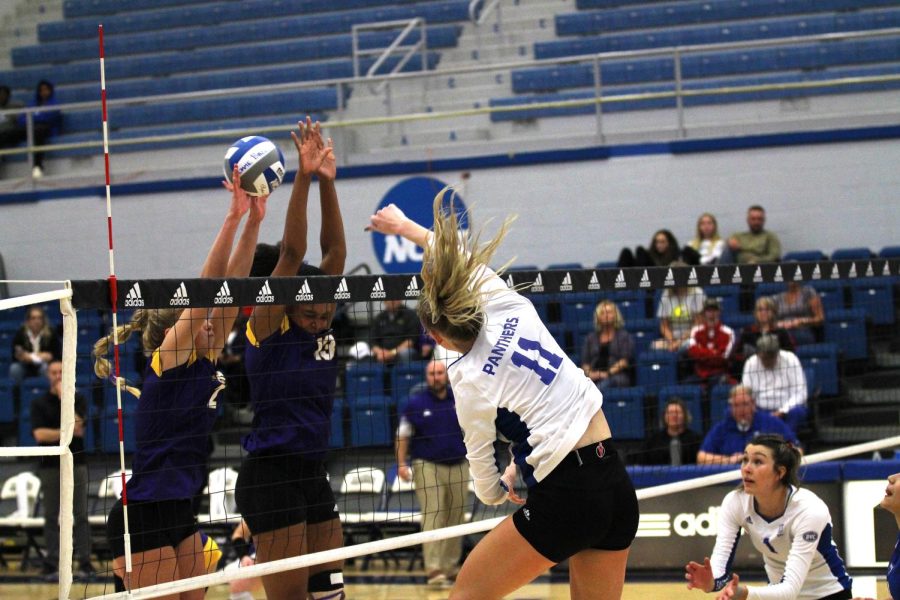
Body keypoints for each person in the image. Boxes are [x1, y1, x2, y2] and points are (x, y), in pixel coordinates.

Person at [368, 191, 639, 600]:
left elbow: (480, 459)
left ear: (437, 336)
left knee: (465, 596)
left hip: (569, 496)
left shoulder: (466, 375)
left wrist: (494, 491)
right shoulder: (508, 304)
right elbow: (453, 250)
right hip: (614, 483)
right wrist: (404, 226)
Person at [93, 162, 267, 594]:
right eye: (199, 321)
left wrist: (255, 220)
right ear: (173, 333)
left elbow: (235, 285)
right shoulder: (166, 362)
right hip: (143, 512)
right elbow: (207, 288)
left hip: (178, 509)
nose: (210, 323)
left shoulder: (205, 361)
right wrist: (231, 217)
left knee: (198, 590)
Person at [233, 117, 347, 600]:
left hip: (312, 471)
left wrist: (327, 182)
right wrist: (302, 175)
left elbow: (334, 249)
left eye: (325, 312)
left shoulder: (320, 301)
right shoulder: (265, 325)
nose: (322, 316)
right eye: (311, 312)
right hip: (271, 476)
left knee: (332, 596)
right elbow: (296, 248)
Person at [686, 434, 853, 600]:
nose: (747, 468)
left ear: (780, 472)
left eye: (758, 461)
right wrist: (711, 583)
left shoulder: (808, 509)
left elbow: (790, 590)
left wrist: (744, 593)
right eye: (745, 460)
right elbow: (720, 564)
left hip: (829, 593)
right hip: (776, 593)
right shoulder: (735, 502)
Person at [395, 359, 468, 586]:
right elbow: (403, 435)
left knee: (456, 516)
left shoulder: (459, 399)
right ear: (426, 377)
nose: (436, 377)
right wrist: (401, 464)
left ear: (445, 375)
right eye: (431, 373)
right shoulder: (415, 403)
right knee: (433, 514)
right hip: (427, 465)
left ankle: (450, 567)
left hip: (459, 463)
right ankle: (434, 569)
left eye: (439, 372)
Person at [30, 359, 94, 581]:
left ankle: (85, 562)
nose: (57, 376)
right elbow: (39, 435)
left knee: (81, 514)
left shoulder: (79, 399)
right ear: (48, 375)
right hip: (49, 465)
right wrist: (65, 431)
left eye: (61, 372)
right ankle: (52, 564)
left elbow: (78, 428)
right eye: (54, 372)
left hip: (77, 463)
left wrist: (64, 399)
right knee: (50, 515)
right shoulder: (39, 403)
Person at [697, 385, 799, 465]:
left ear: (753, 404)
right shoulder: (721, 428)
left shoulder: (771, 423)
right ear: (731, 407)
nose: (741, 409)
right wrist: (729, 460)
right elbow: (701, 458)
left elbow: (797, 450)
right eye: (736, 405)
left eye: (745, 404)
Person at [742, 334, 808, 435]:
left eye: (770, 358)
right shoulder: (751, 363)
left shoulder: (791, 360)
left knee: (798, 412)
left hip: (787, 408)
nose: (767, 361)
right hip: (760, 409)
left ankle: (786, 442)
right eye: (764, 358)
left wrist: (782, 411)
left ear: (777, 353)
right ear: (758, 354)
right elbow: (746, 393)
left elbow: (801, 393)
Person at [580, 300, 634, 391]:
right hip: (593, 376)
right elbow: (585, 363)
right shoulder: (590, 338)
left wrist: (607, 373)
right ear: (598, 317)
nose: (606, 315)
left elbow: (624, 361)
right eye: (603, 313)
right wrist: (591, 374)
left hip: (616, 377)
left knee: (601, 386)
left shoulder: (624, 336)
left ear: (616, 315)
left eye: (609, 312)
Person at [732, 297, 795, 373]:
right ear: (755, 313)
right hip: (753, 372)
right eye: (760, 310)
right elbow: (737, 355)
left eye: (767, 310)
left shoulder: (781, 332)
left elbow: (790, 355)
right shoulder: (747, 332)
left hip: (777, 371)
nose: (763, 313)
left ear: (773, 313)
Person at [639, 398, 703, 466]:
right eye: (670, 413)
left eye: (678, 412)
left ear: (685, 416)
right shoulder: (652, 442)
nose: (674, 416)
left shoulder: (697, 440)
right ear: (664, 416)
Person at [686, 298, 735, 387]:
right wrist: (713, 352)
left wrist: (702, 352)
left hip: (719, 374)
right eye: (708, 310)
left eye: (715, 310)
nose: (712, 314)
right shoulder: (695, 331)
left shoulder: (728, 332)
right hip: (699, 374)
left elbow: (723, 358)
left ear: (719, 312)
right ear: (704, 313)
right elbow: (692, 353)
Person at [18, 79, 62, 178]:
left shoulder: (54, 103)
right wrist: (35, 118)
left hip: (46, 129)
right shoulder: (33, 103)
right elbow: (21, 118)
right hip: (29, 127)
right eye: (41, 90)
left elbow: (50, 118)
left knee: (38, 133)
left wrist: (32, 118)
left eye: (46, 89)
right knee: (7, 134)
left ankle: (37, 166)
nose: (44, 92)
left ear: (50, 91)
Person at [9, 305, 61, 386]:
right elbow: (16, 353)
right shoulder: (21, 333)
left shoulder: (51, 333)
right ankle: (17, 394)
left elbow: (56, 354)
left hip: (45, 364)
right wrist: (25, 357)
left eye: (39, 318)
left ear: (43, 320)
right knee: (15, 368)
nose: (36, 321)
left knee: (47, 368)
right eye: (33, 318)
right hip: (26, 365)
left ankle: (47, 391)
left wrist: (49, 357)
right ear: (28, 320)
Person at [653, 275, 707, 352]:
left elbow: (698, 323)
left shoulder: (696, 292)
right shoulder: (666, 294)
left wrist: (679, 342)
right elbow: (664, 325)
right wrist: (672, 341)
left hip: (693, 337)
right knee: (655, 346)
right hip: (673, 338)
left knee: (689, 345)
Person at [772, 281, 825, 347]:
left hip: (802, 332)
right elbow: (771, 321)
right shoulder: (778, 298)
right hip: (783, 332)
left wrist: (801, 321)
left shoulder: (808, 292)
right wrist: (780, 324)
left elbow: (820, 318)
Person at [369, 299, 422, 363]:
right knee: (366, 357)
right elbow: (373, 341)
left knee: (405, 353)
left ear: (400, 300)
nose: (392, 301)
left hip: (402, 351)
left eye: (395, 298)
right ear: (384, 301)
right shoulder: (379, 317)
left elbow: (411, 340)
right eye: (389, 299)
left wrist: (392, 353)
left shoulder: (411, 315)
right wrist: (380, 352)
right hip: (382, 353)